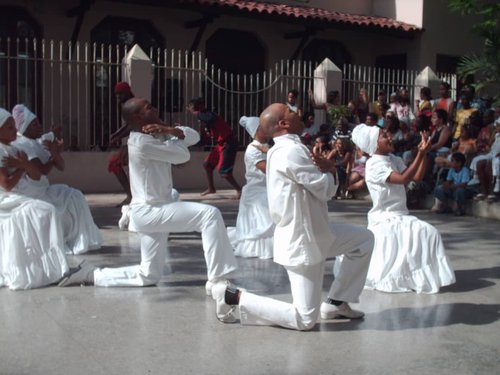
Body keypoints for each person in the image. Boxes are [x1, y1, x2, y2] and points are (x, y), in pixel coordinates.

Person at [210, 103, 373, 330]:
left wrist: (328, 169)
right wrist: (332, 170)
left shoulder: (284, 149)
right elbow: (324, 190)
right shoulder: (290, 151)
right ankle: (232, 296)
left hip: (317, 233)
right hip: (302, 241)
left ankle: (337, 301)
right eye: (290, 110)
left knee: (364, 239)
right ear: (283, 124)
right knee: (304, 319)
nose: (296, 112)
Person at [59, 98, 238, 290]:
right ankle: (218, 280)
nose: (155, 108)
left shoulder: (156, 136)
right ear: (138, 116)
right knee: (209, 215)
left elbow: (194, 137)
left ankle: (90, 274)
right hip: (151, 210)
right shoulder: (141, 143)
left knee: (149, 275)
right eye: (149, 107)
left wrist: (169, 130)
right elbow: (182, 155)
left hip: (157, 209)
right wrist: (171, 134)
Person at [351, 123, 455, 293]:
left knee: (429, 233)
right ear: (374, 145)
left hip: (401, 214)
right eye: (384, 136)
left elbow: (417, 177)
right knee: (428, 232)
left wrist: (424, 154)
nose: (389, 137)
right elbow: (403, 179)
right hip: (385, 217)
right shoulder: (373, 165)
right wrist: (419, 154)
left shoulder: (394, 159)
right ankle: (410, 278)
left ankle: (416, 278)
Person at [11, 104, 102, 255]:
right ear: (25, 128)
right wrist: (54, 153)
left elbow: (61, 165)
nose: (39, 126)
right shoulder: (22, 145)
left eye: (38, 122)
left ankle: (81, 240)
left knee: (75, 195)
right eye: (34, 124)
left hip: (43, 188)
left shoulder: (38, 141)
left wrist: (56, 151)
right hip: (32, 192)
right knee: (64, 202)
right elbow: (41, 171)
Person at [0, 108, 69, 290]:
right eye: (9, 128)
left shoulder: (13, 148)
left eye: (14, 127)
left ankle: (51, 267)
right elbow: (6, 185)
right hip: (6, 201)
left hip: (17, 195)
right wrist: (23, 167)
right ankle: (43, 267)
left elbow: (37, 175)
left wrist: (24, 165)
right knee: (46, 211)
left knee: (48, 211)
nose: (15, 131)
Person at [227, 116, 274, 259]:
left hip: (266, 188)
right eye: (263, 128)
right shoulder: (253, 149)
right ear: (256, 131)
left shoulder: (267, 148)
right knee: (265, 221)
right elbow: (267, 169)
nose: (267, 131)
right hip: (257, 191)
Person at [187, 97, 241, 198]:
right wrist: (188, 143)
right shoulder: (203, 120)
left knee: (224, 172)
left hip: (228, 142)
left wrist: (196, 113)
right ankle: (211, 188)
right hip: (221, 144)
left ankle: (239, 190)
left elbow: (209, 118)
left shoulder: (209, 115)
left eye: (191, 107)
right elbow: (204, 140)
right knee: (207, 164)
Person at [108, 81, 135, 206]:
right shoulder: (128, 104)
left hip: (140, 141)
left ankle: (130, 195)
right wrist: (116, 135)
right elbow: (128, 125)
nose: (118, 97)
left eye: (121, 94)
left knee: (114, 163)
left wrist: (116, 136)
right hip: (136, 141)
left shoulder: (131, 104)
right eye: (116, 94)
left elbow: (132, 125)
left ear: (127, 93)